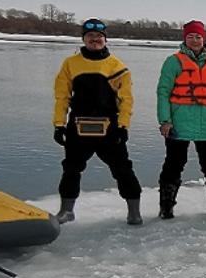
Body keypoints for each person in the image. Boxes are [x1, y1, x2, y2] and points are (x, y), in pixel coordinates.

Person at [53, 18, 143, 225]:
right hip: (78, 126)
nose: (95, 40)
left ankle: (133, 212)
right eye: (90, 37)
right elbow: (62, 97)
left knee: (123, 170)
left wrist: (123, 126)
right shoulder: (70, 64)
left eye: (99, 37)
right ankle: (66, 211)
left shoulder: (117, 66)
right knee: (71, 169)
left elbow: (126, 100)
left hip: (109, 127)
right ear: (84, 39)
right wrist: (59, 124)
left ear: (105, 39)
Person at [156, 20, 206, 218]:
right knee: (174, 164)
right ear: (185, 39)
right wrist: (165, 120)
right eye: (190, 36)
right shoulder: (173, 61)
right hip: (179, 123)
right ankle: (166, 207)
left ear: (204, 38)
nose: (194, 40)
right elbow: (163, 92)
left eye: (198, 36)